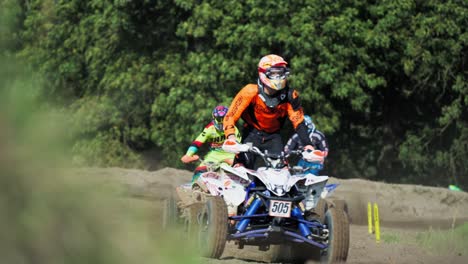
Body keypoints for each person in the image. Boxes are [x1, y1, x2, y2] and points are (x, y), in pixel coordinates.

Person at [223, 54, 313, 169]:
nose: (278, 77)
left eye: (281, 73)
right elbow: (230, 115)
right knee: (241, 168)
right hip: (251, 133)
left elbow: (299, 122)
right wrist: (231, 138)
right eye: (274, 73)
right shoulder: (250, 91)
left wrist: (308, 144)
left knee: (282, 170)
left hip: (274, 136)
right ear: (263, 73)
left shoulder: (291, 95)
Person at [180, 105, 241, 182]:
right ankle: (193, 188)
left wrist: (234, 159)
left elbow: (238, 146)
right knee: (199, 170)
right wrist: (188, 155)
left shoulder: (234, 129)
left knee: (230, 171)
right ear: (214, 118)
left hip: (230, 155)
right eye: (219, 119)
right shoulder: (209, 129)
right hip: (214, 155)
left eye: (225, 118)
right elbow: (197, 142)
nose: (222, 121)